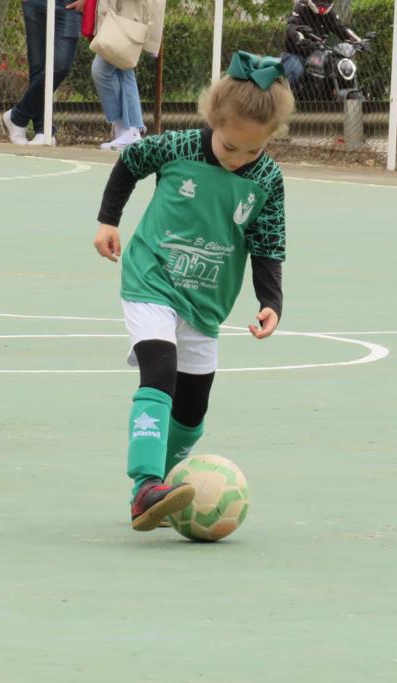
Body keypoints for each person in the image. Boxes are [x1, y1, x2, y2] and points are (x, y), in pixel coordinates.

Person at [93, 51, 293, 531]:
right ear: (213, 120)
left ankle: (165, 482)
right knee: (158, 372)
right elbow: (130, 163)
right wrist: (108, 220)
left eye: (252, 151)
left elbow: (268, 242)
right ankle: (144, 486)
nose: (239, 159)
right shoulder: (179, 146)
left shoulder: (267, 179)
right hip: (152, 278)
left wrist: (271, 301)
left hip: (206, 300)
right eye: (230, 147)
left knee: (193, 407)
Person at [1, 0, 83, 145]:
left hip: (70, 5)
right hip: (35, 3)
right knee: (38, 67)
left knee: (60, 66)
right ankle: (43, 130)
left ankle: (17, 116)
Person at [89, 0, 164, 151]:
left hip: (128, 19)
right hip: (120, 18)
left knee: (104, 70)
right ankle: (128, 130)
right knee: (123, 70)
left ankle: (129, 129)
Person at [283, 0, 361, 88]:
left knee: (336, 69)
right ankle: (284, 98)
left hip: (320, 55)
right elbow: (292, 26)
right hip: (297, 54)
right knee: (295, 69)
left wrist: (359, 41)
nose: (323, 2)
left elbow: (341, 28)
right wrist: (301, 39)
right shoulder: (301, 7)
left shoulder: (330, 13)